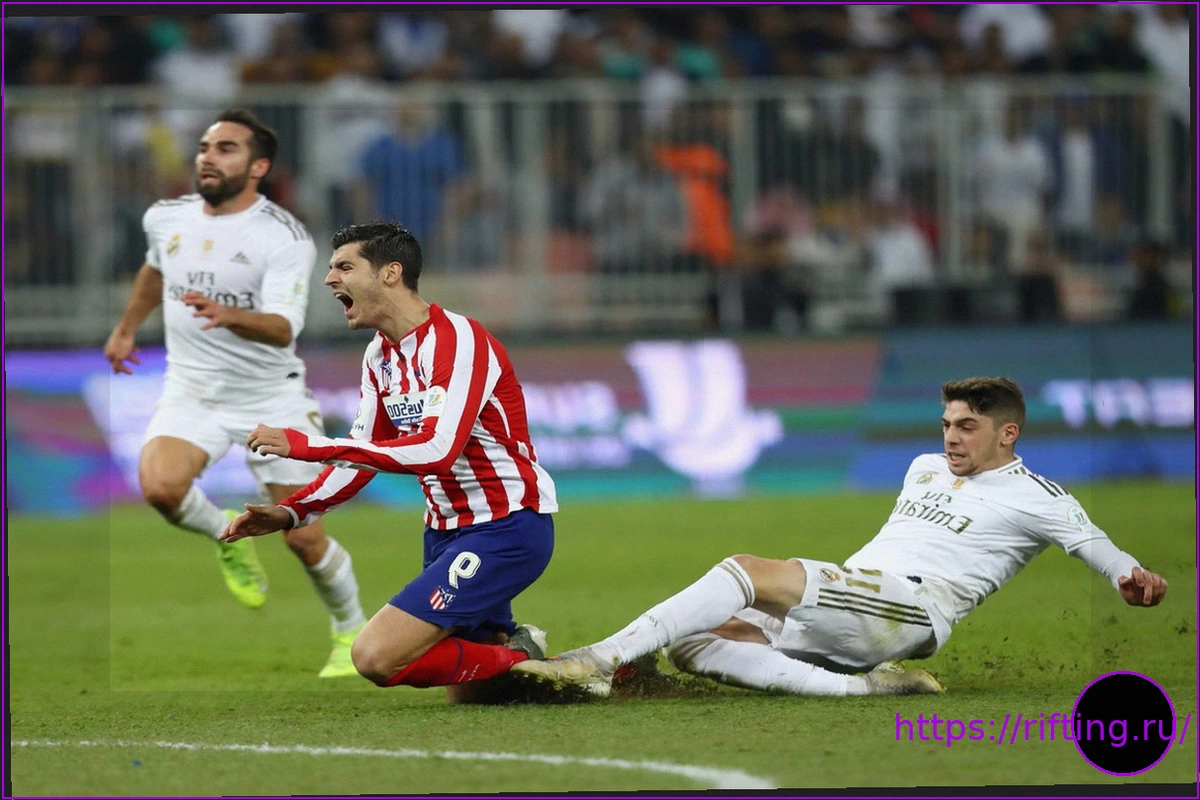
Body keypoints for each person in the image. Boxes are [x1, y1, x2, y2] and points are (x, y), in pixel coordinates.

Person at [517, 377, 1168, 696]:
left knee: (746, 569)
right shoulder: (925, 467)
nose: (950, 437)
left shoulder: (1039, 497)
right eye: (947, 423)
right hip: (856, 600)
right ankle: (864, 686)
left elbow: (1094, 545)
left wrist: (1128, 575)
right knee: (694, 641)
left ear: (1008, 433)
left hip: (912, 609)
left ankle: (596, 660)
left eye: (967, 427)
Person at [220, 221, 573, 698]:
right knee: (477, 694)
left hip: (506, 525)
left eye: (345, 267)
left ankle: (531, 658)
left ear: (390, 273)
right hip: (444, 533)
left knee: (375, 657)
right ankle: (515, 657)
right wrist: (291, 512)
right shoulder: (379, 357)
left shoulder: (459, 341)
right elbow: (364, 453)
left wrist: (307, 445)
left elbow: (438, 451)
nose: (330, 279)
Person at [102, 109, 367, 679]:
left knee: (303, 538)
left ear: (258, 166)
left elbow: (283, 328)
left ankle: (351, 632)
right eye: (205, 146)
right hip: (192, 389)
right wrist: (126, 329)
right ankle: (225, 534)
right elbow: (155, 271)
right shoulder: (165, 217)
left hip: (270, 398)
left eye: (226, 148)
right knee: (160, 488)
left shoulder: (282, 236)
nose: (208, 156)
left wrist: (229, 315)